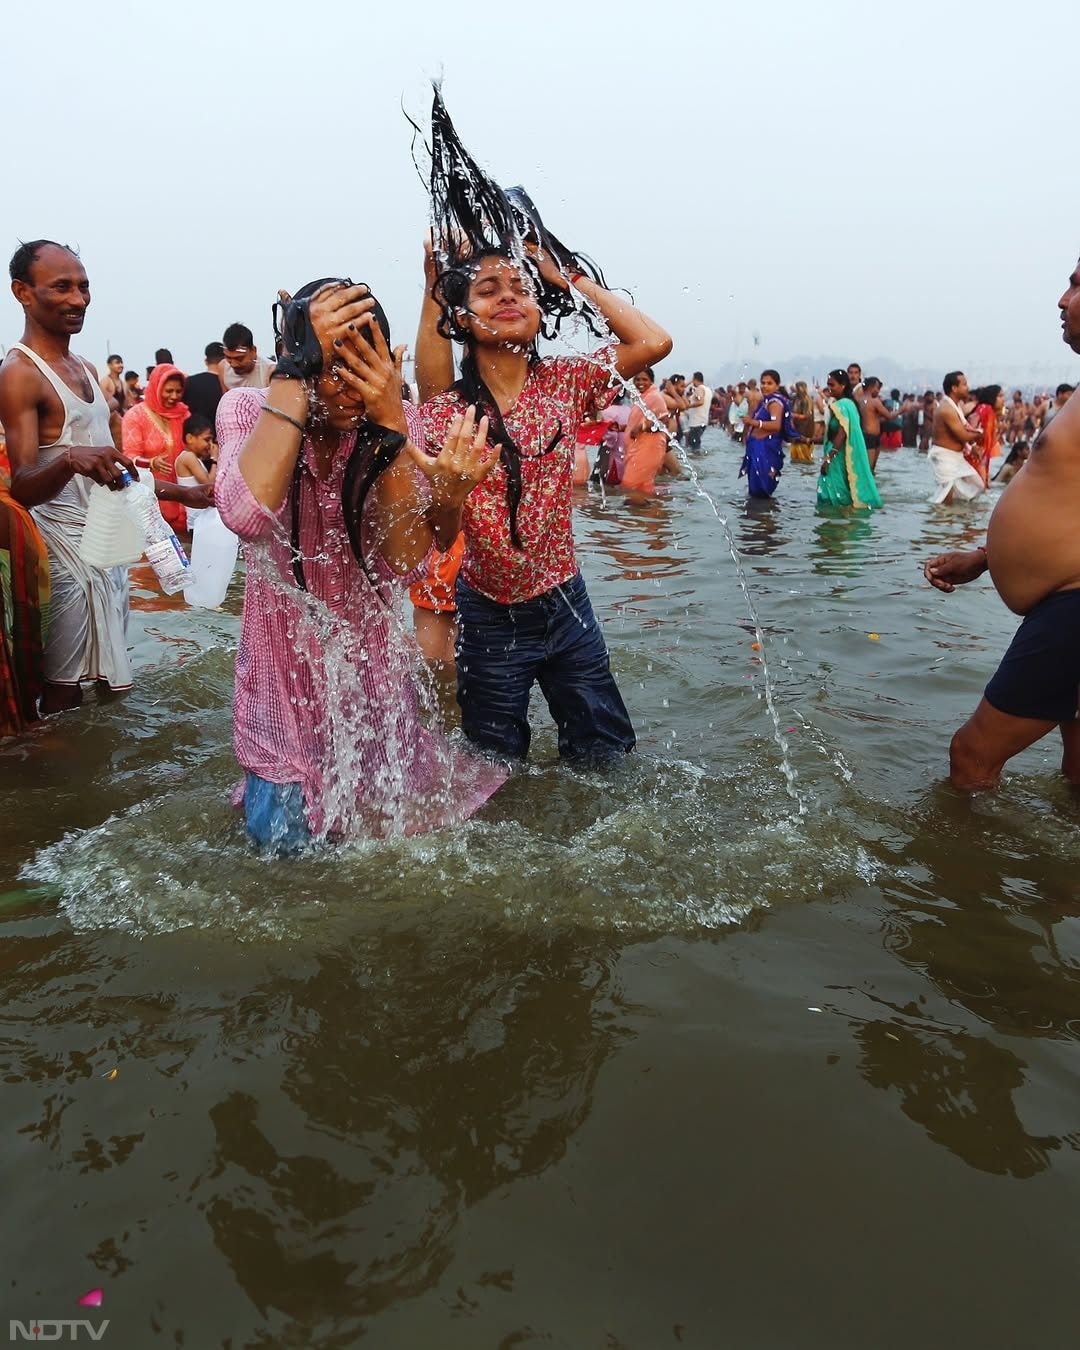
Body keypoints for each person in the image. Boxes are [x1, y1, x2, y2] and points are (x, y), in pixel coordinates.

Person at [417, 87, 672, 765]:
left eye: (519, 288)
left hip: (567, 601)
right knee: (493, 764)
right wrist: (433, 283)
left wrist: (566, 275)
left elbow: (654, 343)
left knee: (605, 754)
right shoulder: (451, 409)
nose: (508, 296)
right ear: (461, 318)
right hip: (487, 609)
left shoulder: (567, 379)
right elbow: (439, 526)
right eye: (487, 290)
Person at [215, 277, 507, 849]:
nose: (349, 381)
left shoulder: (395, 424)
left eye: (364, 358)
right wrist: (296, 369)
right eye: (333, 359)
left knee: (381, 852)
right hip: (280, 688)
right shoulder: (248, 410)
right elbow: (245, 515)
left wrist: (392, 429)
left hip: (373, 683)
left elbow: (400, 563)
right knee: (284, 863)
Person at [0, 241, 207, 714]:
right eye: (62, 287)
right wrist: (71, 458)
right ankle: (51, 784)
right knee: (63, 690)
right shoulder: (19, 373)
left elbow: (113, 468)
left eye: (84, 287)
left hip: (107, 547)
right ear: (23, 292)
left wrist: (190, 494)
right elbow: (23, 488)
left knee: (110, 690)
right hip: (62, 554)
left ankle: (110, 781)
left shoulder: (87, 370)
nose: (78, 299)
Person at [921, 259, 1080, 791]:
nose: (1062, 299)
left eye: (1077, 284)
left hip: (1074, 608)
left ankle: (959, 874)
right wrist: (990, 557)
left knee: (972, 756)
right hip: (1062, 601)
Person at [120, 363, 191, 531]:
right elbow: (129, 458)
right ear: (156, 388)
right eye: (168, 391)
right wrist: (150, 462)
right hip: (151, 496)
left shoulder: (184, 414)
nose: (174, 396)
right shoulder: (135, 416)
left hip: (184, 495)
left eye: (178, 391)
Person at [816, 368, 882, 512]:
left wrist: (829, 458)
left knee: (832, 493)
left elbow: (843, 431)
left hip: (837, 454)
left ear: (843, 385)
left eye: (832, 385)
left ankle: (835, 521)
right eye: (828, 384)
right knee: (841, 489)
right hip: (840, 452)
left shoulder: (843, 405)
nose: (829, 388)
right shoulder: (848, 404)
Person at [928, 371, 985, 503]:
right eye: (964, 384)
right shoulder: (946, 409)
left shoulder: (956, 405)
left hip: (957, 457)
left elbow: (964, 430)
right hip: (945, 457)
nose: (968, 387)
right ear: (954, 388)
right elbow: (963, 435)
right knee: (944, 500)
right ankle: (942, 522)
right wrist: (980, 433)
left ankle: (958, 517)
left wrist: (973, 446)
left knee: (978, 487)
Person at [739, 369, 790, 497]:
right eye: (763, 383)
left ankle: (762, 515)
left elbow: (776, 425)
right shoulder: (765, 401)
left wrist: (754, 422)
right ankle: (760, 515)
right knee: (756, 489)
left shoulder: (774, 403)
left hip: (765, 450)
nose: (765, 386)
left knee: (761, 489)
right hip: (757, 448)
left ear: (777, 385)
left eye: (769, 383)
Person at [622, 368, 671, 493]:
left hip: (648, 449)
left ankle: (647, 510)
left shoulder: (655, 397)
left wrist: (641, 427)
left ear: (652, 381)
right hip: (638, 449)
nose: (640, 382)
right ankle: (652, 510)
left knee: (630, 484)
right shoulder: (642, 397)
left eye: (644, 379)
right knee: (642, 487)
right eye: (637, 379)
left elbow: (664, 422)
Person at [221, 322, 276, 390]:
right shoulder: (223, 367)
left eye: (239, 358)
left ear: (253, 350)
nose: (234, 364)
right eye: (228, 358)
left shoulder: (270, 372)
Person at [969, 384, 1004, 487]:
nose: (1003, 399)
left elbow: (990, 444)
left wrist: (1001, 432)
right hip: (975, 457)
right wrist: (973, 444)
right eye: (1000, 396)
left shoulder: (992, 414)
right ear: (992, 397)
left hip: (983, 458)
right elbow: (972, 421)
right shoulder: (985, 408)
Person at [183, 342, 226, 424]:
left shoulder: (188, 382)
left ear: (206, 361)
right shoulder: (228, 386)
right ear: (225, 361)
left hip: (192, 433)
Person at [857, 377, 893, 472]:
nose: (878, 391)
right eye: (877, 388)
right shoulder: (875, 401)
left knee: (867, 467)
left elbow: (871, 419)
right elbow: (889, 417)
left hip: (866, 435)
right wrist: (902, 410)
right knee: (870, 468)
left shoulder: (859, 401)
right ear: (872, 387)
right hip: (871, 437)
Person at [684, 370, 711, 452]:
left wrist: (688, 406)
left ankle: (697, 460)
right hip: (703, 420)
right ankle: (698, 460)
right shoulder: (708, 390)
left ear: (695, 379)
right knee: (695, 443)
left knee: (694, 446)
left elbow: (700, 401)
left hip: (697, 421)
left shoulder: (699, 388)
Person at [789, 381, 815, 461]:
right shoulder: (795, 398)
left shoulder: (807, 400)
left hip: (806, 427)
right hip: (796, 427)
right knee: (795, 453)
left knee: (804, 452)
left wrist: (793, 415)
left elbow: (807, 416)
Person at [880, 387, 903, 452]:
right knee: (895, 449)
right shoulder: (901, 404)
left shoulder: (886, 401)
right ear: (899, 395)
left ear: (891, 395)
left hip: (886, 428)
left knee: (884, 447)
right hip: (896, 429)